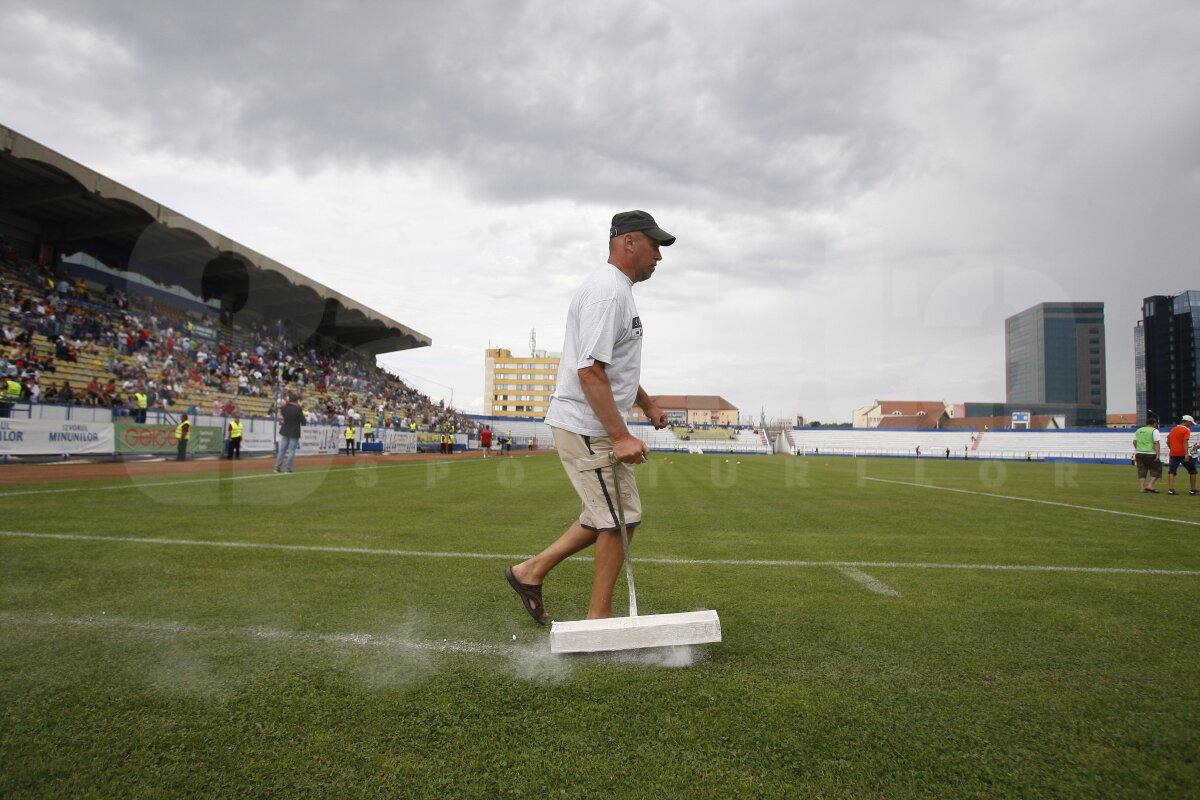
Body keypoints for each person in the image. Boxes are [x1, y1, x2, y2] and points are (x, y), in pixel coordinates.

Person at [505, 210, 673, 625]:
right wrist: (619, 436)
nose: (659, 256)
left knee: (613, 515)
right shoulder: (607, 292)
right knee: (617, 519)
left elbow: (612, 367)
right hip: (586, 426)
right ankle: (599, 618)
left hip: (595, 425)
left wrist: (647, 404)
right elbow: (589, 370)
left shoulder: (619, 292)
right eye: (654, 245)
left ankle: (530, 572)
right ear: (629, 242)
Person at [1166, 414, 1197, 496]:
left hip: (1173, 453)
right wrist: (1186, 454)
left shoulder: (1173, 429)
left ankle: (1171, 490)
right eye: (1190, 423)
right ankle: (1193, 490)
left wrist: (1172, 448)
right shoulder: (1186, 430)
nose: (1190, 425)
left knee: (1172, 472)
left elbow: (1168, 442)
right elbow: (1185, 441)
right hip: (1183, 453)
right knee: (1193, 471)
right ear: (1187, 422)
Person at [274, 393, 305, 473]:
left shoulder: (284, 408)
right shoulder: (298, 409)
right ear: (296, 400)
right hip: (294, 431)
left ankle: (277, 467)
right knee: (291, 451)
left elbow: (283, 416)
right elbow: (303, 422)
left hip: (285, 430)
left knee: (282, 450)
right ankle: (288, 468)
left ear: (289, 399)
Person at [1133, 414, 1163, 494]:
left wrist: (1138, 449)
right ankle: (1150, 485)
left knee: (1142, 469)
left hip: (1139, 453)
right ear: (1154, 424)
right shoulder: (1154, 430)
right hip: (1150, 453)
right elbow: (1156, 443)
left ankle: (1142, 488)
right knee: (1157, 469)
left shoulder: (1139, 430)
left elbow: (1134, 442)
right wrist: (1158, 455)